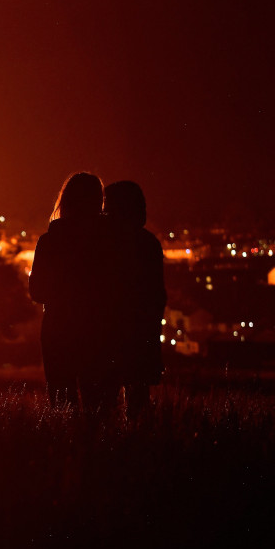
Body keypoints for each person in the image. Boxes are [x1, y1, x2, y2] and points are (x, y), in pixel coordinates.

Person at [29, 172, 110, 413]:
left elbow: (37, 291)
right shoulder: (110, 241)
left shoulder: (50, 240)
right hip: (100, 326)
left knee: (62, 400)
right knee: (99, 402)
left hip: (58, 326)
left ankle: (67, 447)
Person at [103, 181, 166, 422]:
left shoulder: (103, 244)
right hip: (141, 331)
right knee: (138, 400)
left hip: (107, 332)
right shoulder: (148, 243)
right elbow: (156, 295)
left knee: (104, 402)